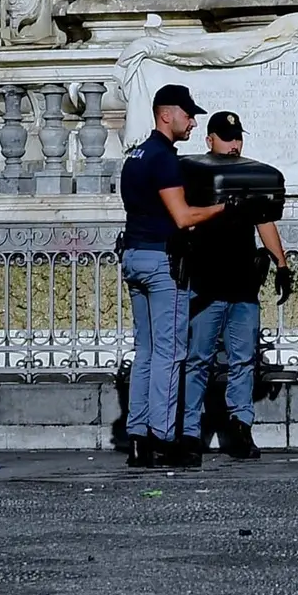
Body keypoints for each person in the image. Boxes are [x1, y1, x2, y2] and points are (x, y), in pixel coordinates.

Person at [177, 111, 293, 462]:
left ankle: (241, 426)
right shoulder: (198, 177)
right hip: (207, 281)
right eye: (227, 137)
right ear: (209, 139)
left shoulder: (248, 176)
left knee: (244, 360)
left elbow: (265, 221)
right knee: (198, 359)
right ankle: (188, 431)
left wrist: (281, 263)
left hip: (243, 283)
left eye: (237, 137)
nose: (234, 144)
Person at [119, 81, 211, 469]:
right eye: (187, 114)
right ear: (166, 113)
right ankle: (163, 437)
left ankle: (137, 437)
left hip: (134, 255)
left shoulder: (135, 155)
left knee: (145, 352)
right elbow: (183, 217)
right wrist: (227, 209)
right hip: (161, 261)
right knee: (170, 353)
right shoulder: (163, 157)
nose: (192, 122)